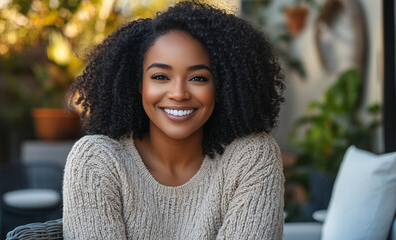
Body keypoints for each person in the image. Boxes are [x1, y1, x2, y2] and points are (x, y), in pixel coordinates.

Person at [63, 1, 285, 239]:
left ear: (222, 87)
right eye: (160, 76)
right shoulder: (97, 160)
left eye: (198, 78)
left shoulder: (252, 158)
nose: (179, 93)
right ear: (138, 84)